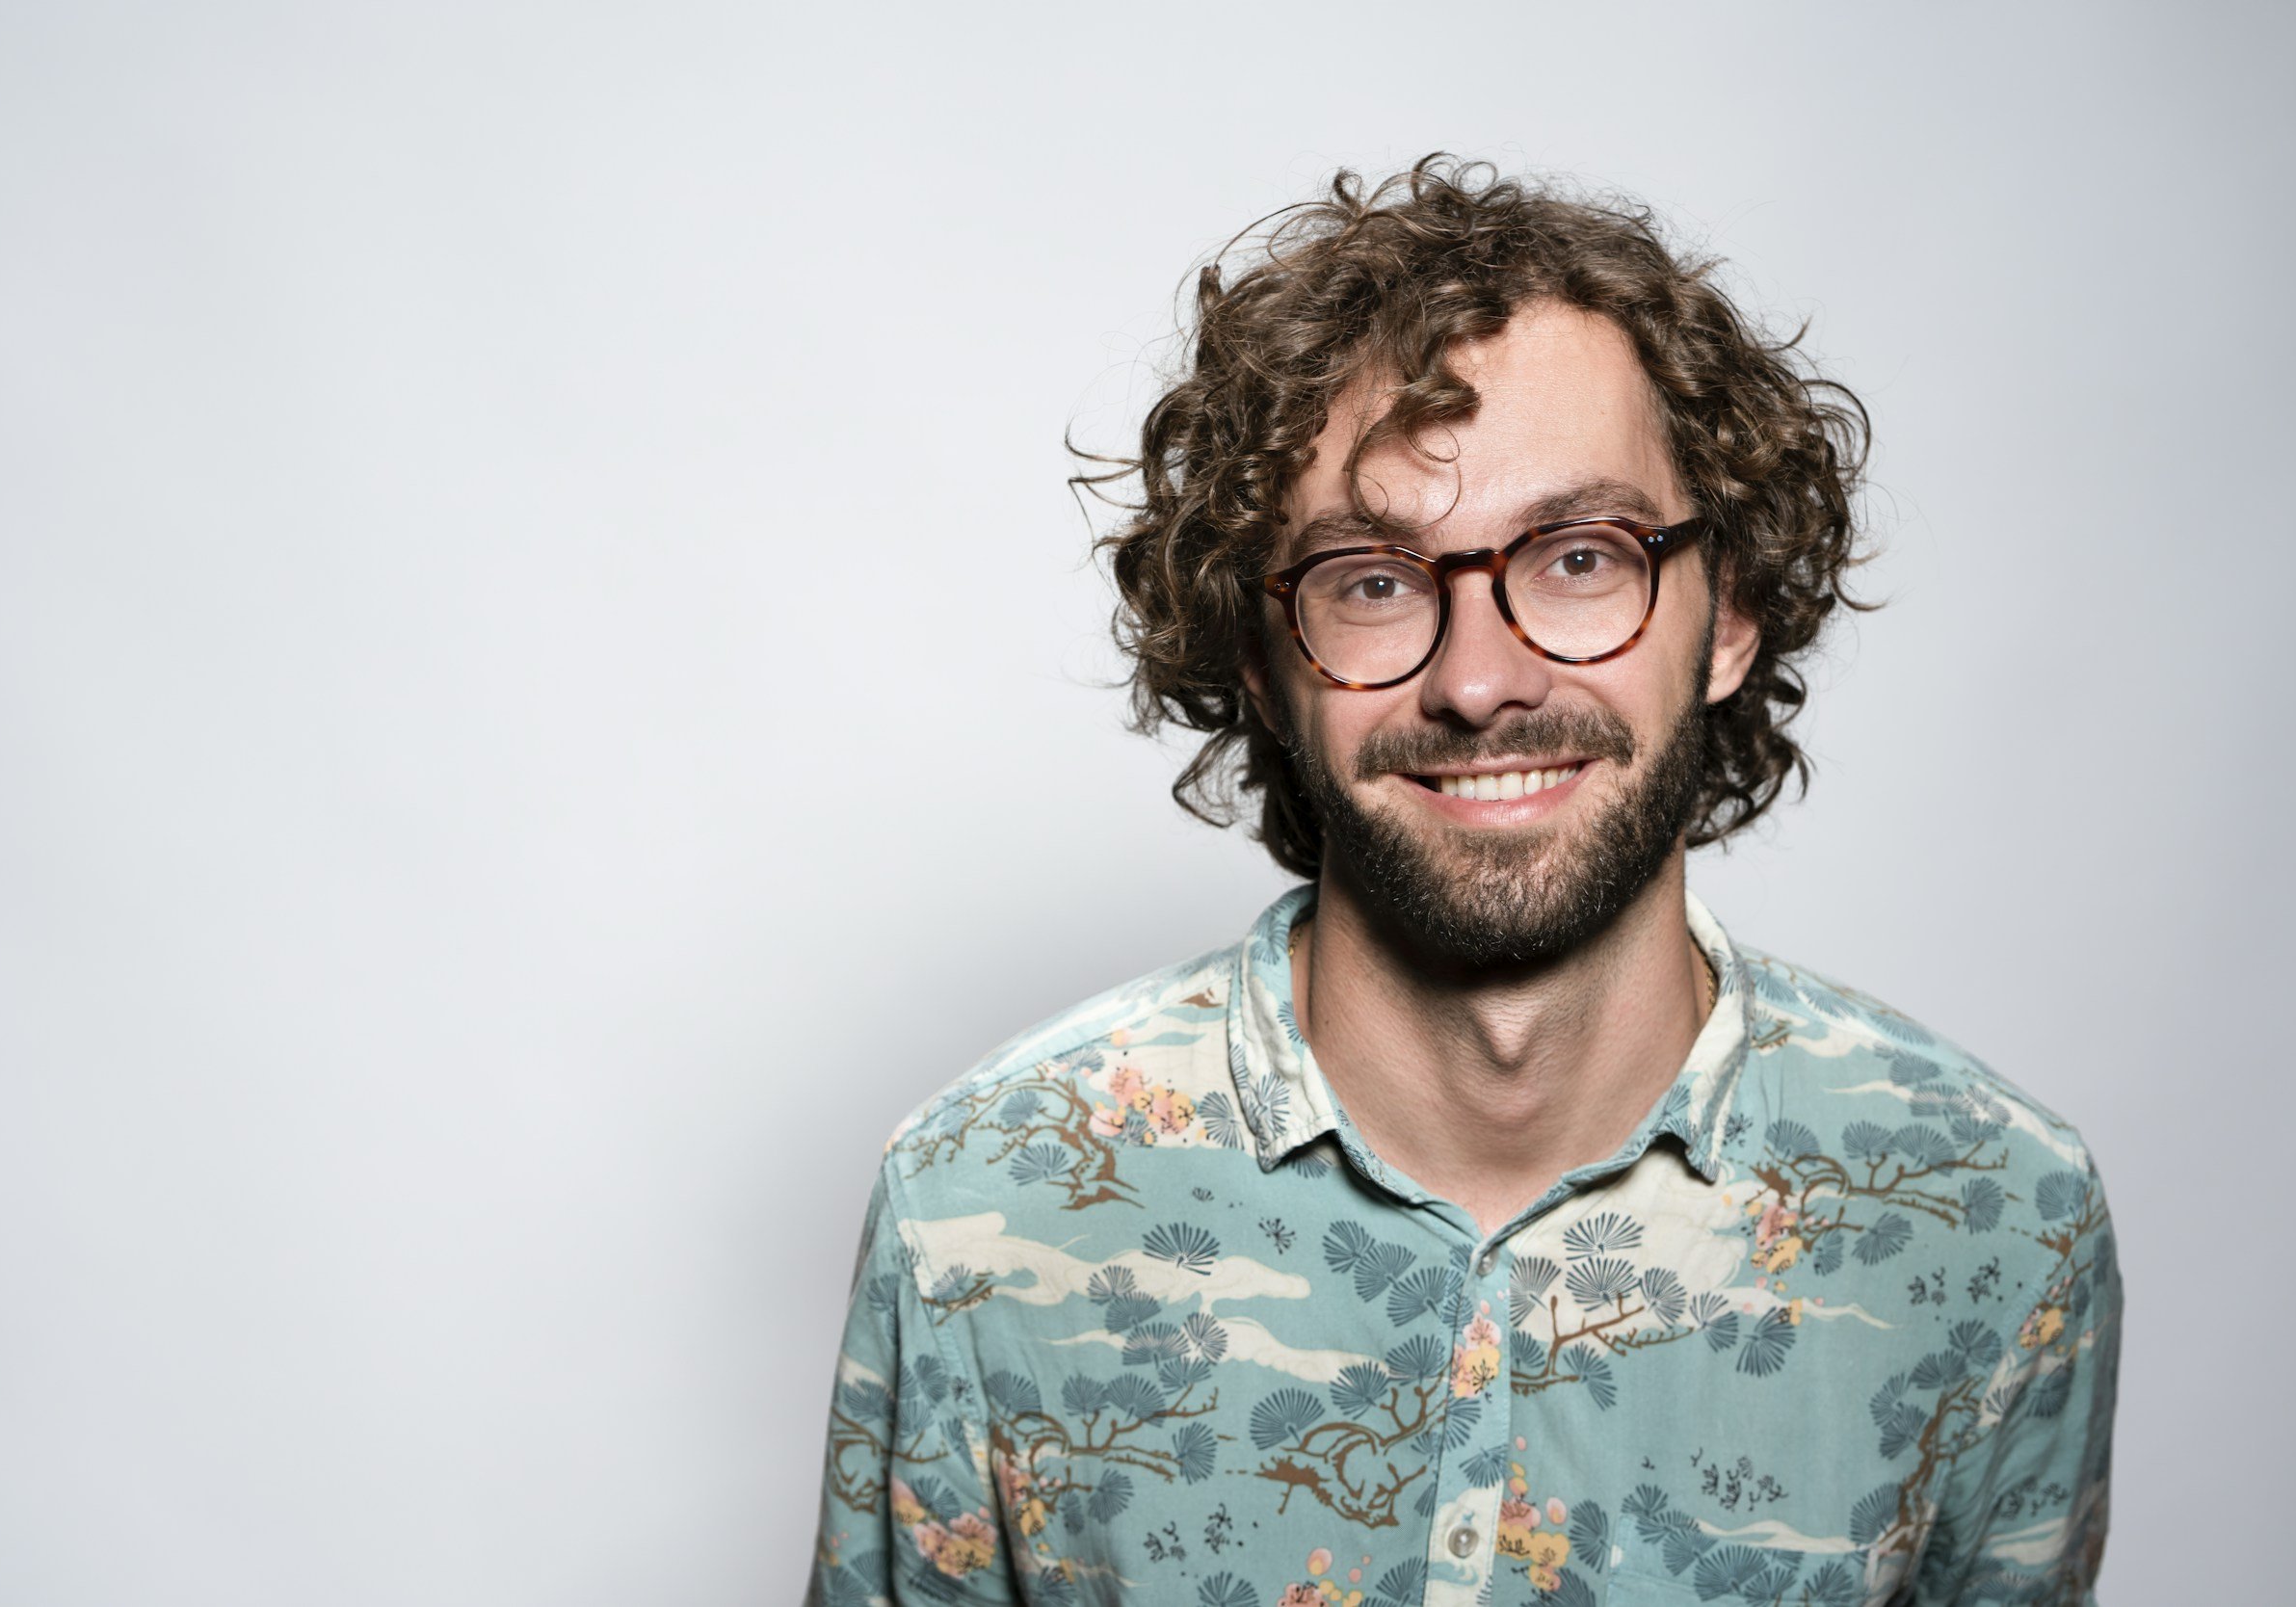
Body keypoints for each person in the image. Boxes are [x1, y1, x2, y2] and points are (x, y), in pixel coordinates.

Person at [805, 156, 2120, 1607]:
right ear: (1259, 662)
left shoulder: (1994, 1222)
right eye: (1371, 580)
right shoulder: (983, 1208)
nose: (1480, 681)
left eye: (1579, 556)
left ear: (1731, 610)